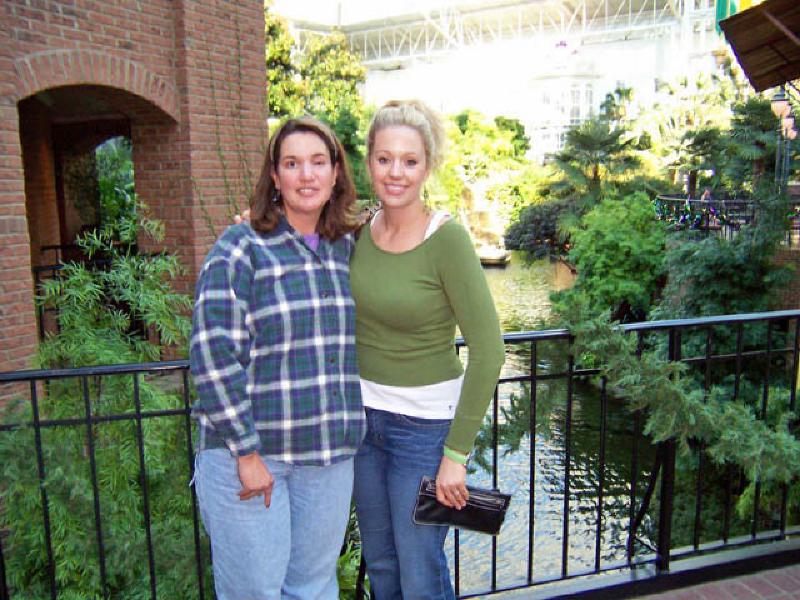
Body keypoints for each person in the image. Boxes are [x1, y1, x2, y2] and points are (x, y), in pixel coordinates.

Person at [190, 117, 365, 600]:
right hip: (253, 458)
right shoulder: (240, 248)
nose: (305, 176)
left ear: (335, 174)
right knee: (255, 593)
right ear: (275, 176)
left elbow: (399, 223)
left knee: (313, 589)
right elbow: (212, 355)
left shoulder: (348, 249)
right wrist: (244, 452)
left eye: (317, 163)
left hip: (327, 457)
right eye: (292, 163)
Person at [350, 100, 505, 600]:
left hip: (422, 432)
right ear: (369, 161)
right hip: (363, 424)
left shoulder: (448, 241)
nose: (396, 172)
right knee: (382, 565)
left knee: (419, 571)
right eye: (384, 158)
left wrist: (456, 455)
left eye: (409, 161)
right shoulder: (359, 232)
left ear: (427, 166)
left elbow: (489, 351)